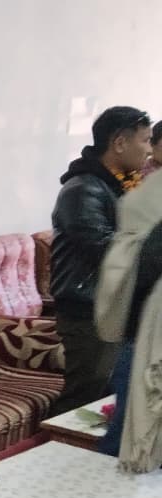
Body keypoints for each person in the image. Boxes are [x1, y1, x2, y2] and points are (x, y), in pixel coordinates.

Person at [50, 106, 151, 416]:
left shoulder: (118, 184)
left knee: (107, 394)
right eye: (145, 140)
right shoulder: (83, 189)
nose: (149, 150)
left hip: (114, 307)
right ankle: (54, 442)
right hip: (88, 310)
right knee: (84, 395)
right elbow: (107, 249)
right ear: (119, 143)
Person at [96, 167, 162, 469]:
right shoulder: (151, 198)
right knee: (131, 433)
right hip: (145, 342)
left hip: (140, 338)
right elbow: (141, 269)